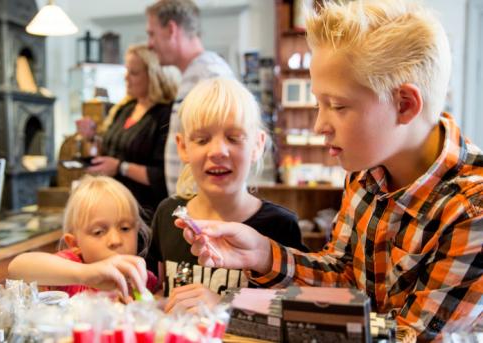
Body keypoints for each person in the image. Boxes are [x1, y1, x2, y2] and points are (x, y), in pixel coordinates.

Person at [175, 0, 483, 340]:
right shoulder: (365, 170)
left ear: (404, 104)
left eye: (337, 106)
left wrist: (240, 312)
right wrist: (263, 254)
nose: (320, 124)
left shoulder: (473, 209)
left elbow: (409, 336)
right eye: (319, 103)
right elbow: (343, 275)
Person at [148, 78, 307, 314]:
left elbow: (293, 310)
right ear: (182, 147)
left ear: (257, 145)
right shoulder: (167, 214)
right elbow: (158, 289)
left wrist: (225, 306)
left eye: (233, 138)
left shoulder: (280, 226)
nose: (218, 152)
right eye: (202, 140)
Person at [8, 175, 157, 299]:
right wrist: (86, 274)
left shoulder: (142, 278)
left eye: (125, 228)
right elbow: (16, 267)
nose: (115, 241)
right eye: (98, 232)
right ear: (74, 244)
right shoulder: (71, 267)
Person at [145, 0, 234, 196]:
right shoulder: (195, 74)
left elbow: (220, 153)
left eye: (152, 34)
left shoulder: (209, 75)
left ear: (171, 29)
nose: (149, 44)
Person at [86, 44, 179, 223]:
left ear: (154, 76)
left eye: (134, 73)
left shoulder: (166, 114)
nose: (126, 78)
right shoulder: (125, 109)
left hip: (144, 214)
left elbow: (162, 175)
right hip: (113, 206)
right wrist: (91, 136)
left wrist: (121, 167)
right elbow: (109, 151)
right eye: (126, 71)